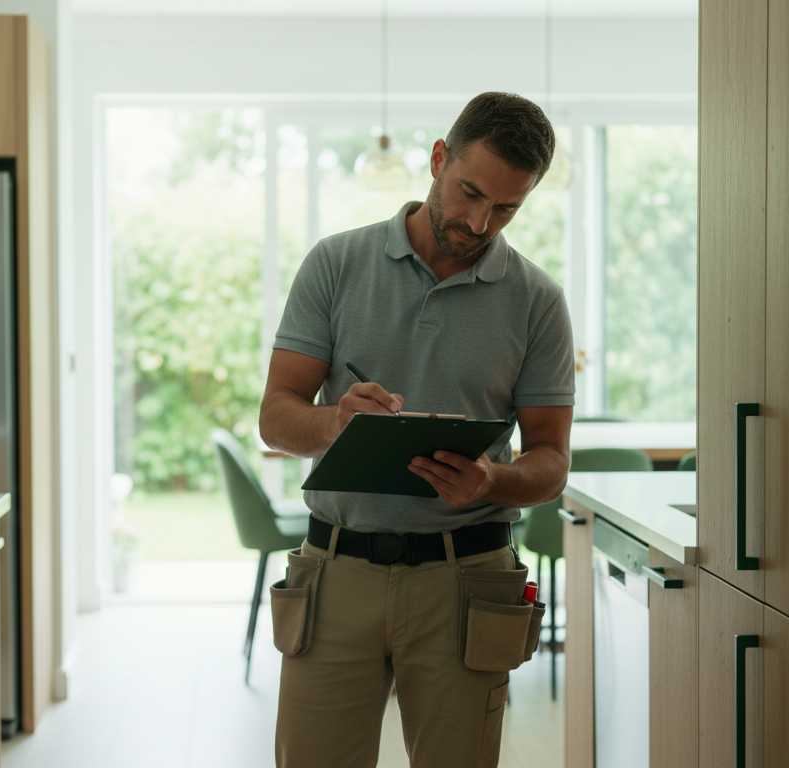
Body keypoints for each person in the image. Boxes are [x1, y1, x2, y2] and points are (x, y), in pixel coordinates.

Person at [258, 92, 575, 768]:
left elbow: (551, 461)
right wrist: (336, 421)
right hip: (335, 576)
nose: (479, 222)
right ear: (438, 159)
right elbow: (276, 418)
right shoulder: (335, 264)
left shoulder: (538, 301)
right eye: (470, 193)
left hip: (469, 583)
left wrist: (493, 479)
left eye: (506, 208)